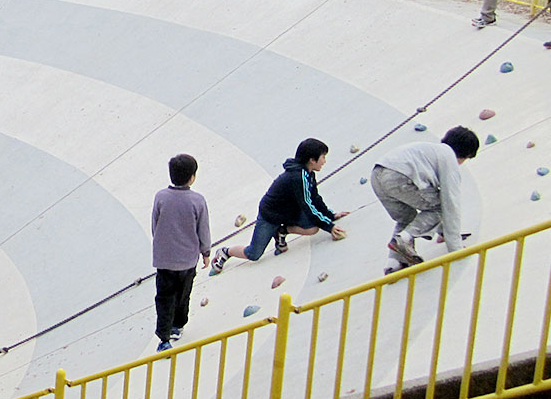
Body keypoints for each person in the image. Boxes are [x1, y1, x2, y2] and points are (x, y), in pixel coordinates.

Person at [209, 138, 348, 276]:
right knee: (253, 254)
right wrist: (330, 227)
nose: (324, 161)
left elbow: (315, 198)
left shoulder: (308, 174)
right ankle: (225, 252)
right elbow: (308, 206)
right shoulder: (298, 177)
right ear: (312, 160)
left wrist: (331, 216)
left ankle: (281, 231)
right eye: (323, 157)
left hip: (289, 212)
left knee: (313, 228)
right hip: (271, 215)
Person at [372, 126, 479, 275]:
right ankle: (405, 238)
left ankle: (394, 263)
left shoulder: (429, 150)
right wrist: (455, 246)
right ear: (464, 155)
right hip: (401, 176)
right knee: (439, 206)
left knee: (406, 218)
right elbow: (450, 203)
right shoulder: (449, 157)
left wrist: (443, 232)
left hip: (377, 174)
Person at [151, 154, 211, 352]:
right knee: (184, 293)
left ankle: (164, 337)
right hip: (187, 260)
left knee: (164, 296)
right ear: (192, 177)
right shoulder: (198, 201)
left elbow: (155, 225)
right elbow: (203, 228)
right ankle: (178, 325)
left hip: (165, 259)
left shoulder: (160, 197)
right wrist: (206, 251)